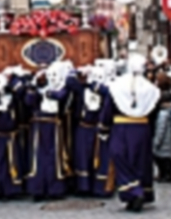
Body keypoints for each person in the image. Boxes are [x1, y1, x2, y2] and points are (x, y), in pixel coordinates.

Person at [100, 54, 161, 212]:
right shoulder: (151, 89)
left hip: (121, 128)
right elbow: (154, 111)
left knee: (121, 158)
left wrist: (104, 126)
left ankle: (133, 191)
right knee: (140, 161)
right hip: (142, 128)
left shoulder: (116, 87)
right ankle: (138, 192)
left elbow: (108, 108)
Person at [24, 63, 73, 202]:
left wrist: (47, 92)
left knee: (54, 157)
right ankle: (37, 189)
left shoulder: (61, 87)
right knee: (37, 157)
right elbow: (28, 102)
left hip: (53, 124)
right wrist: (34, 86)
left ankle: (55, 189)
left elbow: (61, 96)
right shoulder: (35, 88)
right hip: (38, 124)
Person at [71, 67, 112, 197]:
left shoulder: (107, 91)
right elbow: (69, 81)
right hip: (84, 127)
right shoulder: (81, 88)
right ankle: (84, 186)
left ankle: (100, 188)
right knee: (83, 157)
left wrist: (97, 87)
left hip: (99, 128)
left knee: (101, 158)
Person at [152, 94, 171, 182]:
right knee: (167, 160)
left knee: (162, 160)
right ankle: (167, 175)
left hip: (164, 141)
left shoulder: (163, 114)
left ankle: (164, 175)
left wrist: (156, 141)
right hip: (169, 139)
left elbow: (161, 128)